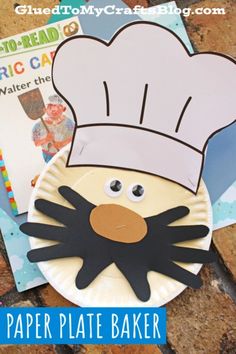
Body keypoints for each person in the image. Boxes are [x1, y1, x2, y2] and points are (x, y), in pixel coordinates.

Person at [32, 94, 74, 163]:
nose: (54, 110)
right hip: (49, 156)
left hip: (67, 153)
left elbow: (75, 135)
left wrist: (62, 143)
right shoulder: (38, 126)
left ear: (63, 109)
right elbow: (36, 142)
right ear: (45, 110)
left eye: (58, 107)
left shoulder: (68, 122)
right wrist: (46, 139)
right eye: (50, 107)